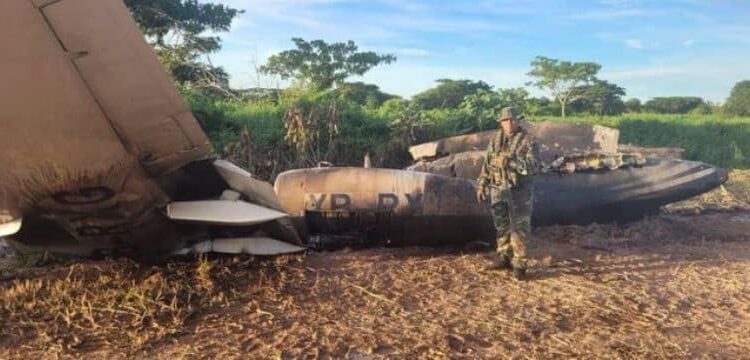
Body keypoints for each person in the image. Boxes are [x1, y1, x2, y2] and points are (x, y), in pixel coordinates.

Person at [476, 107, 539, 279]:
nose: (509, 124)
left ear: (518, 121)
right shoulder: (495, 139)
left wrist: (511, 162)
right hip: (498, 188)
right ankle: (504, 256)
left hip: (520, 191)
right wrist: (482, 183)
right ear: (501, 123)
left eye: (512, 120)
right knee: (501, 225)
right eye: (505, 121)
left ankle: (519, 264)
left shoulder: (529, 140)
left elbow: (533, 166)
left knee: (520, 228)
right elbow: (487, 164)